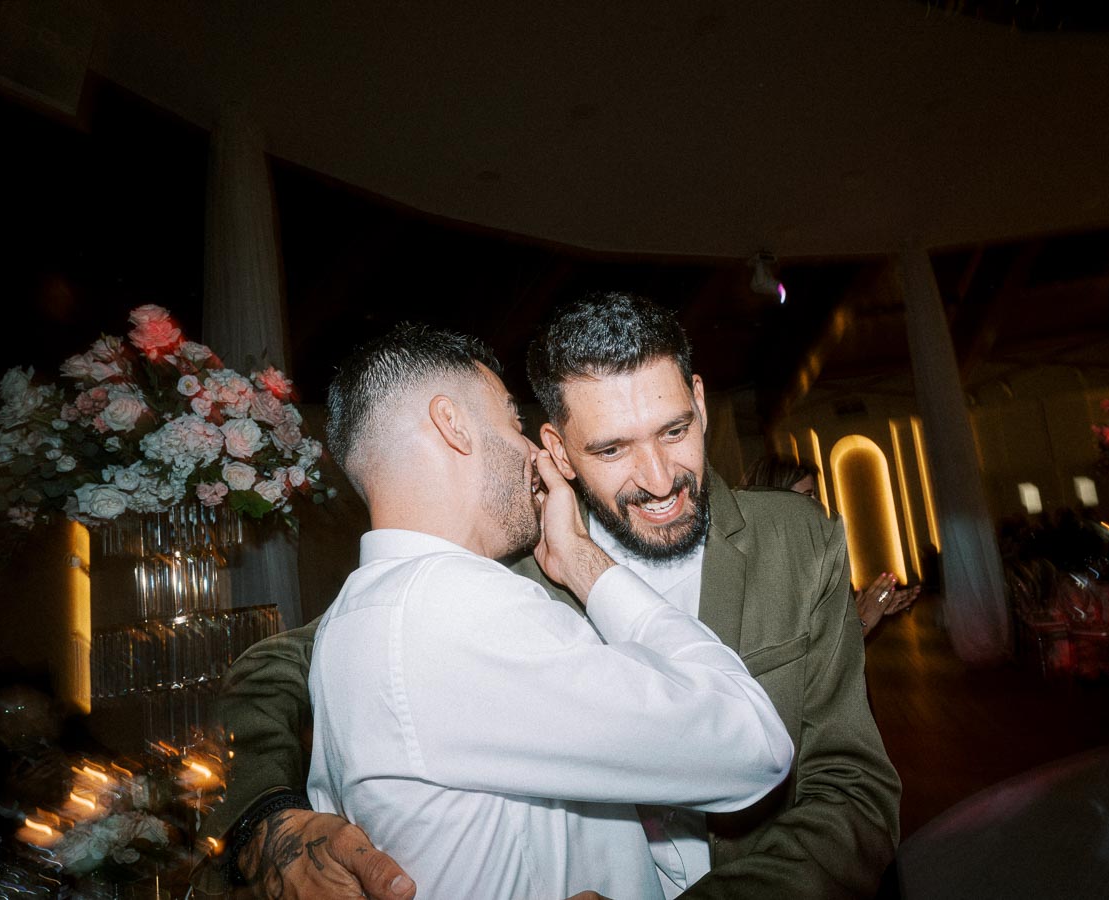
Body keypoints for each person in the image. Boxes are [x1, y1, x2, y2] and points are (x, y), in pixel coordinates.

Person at [199, 293, 902, 899]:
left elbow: (853, 789)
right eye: (611, 450)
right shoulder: (497, 572)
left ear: (700, 401)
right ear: (557, 451)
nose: (660, 479)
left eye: (676, 431)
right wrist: (269, 820)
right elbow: (273, 670)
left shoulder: (797, 537)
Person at [300, 322, 792, 900]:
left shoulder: (345, 624)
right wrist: (584, 562)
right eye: (512, 421)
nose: (534, 453)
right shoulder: (461, 609)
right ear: (452, 424)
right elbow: (751, 742)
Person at [739, 454, 919, 636]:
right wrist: (864, 621)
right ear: (775, 502)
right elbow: (807, 657)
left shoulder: (802, 557)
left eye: (815, 495)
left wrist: (866, 610)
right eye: (807, 496)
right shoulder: (768, 569)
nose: (817, 505)